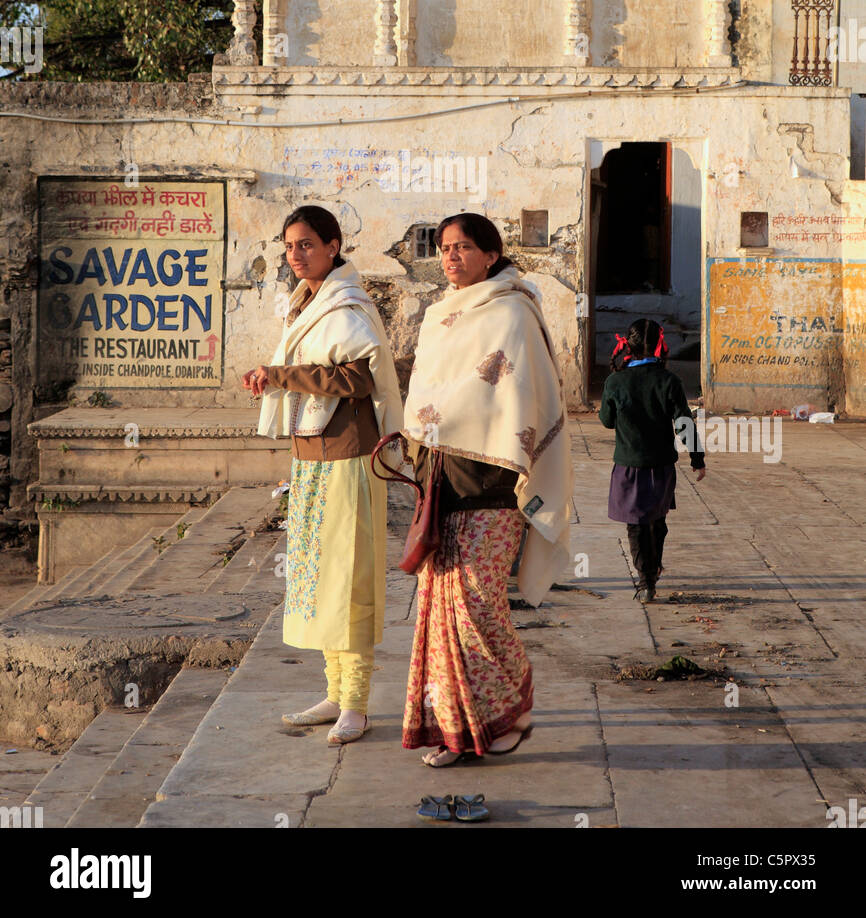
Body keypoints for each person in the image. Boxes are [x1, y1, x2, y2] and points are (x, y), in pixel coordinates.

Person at [400, 213, 573, 767]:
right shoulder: (438, 316)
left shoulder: (513, 312)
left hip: (494, 484)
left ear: (491, 255)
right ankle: (452, 730)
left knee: (478, 605)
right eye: (446, 248)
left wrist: (449, 416)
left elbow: (523, 394)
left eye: (464, 247)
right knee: (437, 611)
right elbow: (427, 391)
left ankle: (511, 706)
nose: (451, 257)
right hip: (441, 482)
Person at [243, 205, 402, 745]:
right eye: (289, 246)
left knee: (348, 579)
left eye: (307, 244)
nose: (296, 255)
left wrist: (281, 375)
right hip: (310, 461)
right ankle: (335, 693)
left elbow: (358, 378)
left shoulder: (347, 304)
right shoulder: (306, 303)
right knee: (318, 581)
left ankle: (356, 705)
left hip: (349, 459)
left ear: (334, 246)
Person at [599, 318, 706, 604]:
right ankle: (654, 569)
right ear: (661, 346)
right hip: (661, 466)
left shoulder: (615, 381)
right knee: (657, 521)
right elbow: (684, 422)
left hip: (628, 465)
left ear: (628, 346)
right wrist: (698, 457)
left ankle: (645, 581)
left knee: (635, 525)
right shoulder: (669, 381)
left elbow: (607, 422)